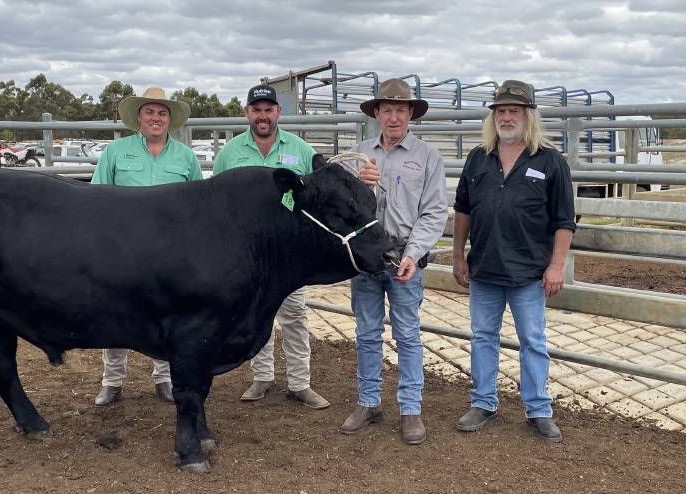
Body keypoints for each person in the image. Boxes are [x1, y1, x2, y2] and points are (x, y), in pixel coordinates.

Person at [451, 80, 576, 442]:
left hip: (528, 271)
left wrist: (556, 266)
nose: (507, 117)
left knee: (533, 340)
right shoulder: (479, 157)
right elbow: (463, 210)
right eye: (501, 111)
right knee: (483, 337)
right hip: (485, 267)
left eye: (514, 111)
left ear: (528, 116)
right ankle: (484, 402)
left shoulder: (550, 160)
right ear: (494, 117)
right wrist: (458, 255)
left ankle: (538, 408)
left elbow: (563, 220)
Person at [339, 78, 448, 445]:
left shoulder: (428, 157)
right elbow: (346, 210)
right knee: (366, 331)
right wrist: (362, 187)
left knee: (407, 333)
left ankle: (410, 408)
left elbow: (434, 213)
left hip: (403, 254)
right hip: (367, 258)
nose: (394, 116)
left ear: (410, 114)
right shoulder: (359, 154)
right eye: (387, 109)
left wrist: (414, 254)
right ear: (377, 114)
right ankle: (369, 402)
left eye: (401, 109)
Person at [212, 84, 330, 410]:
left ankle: (300, 383)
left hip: (288, 252)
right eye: (257, 109)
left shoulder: (300, 150)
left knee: (294, 315)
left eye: (269, 109)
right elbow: (215, 200)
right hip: (247, 253)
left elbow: (317, 195)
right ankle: (262, 377)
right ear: (247, 113)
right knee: (255, 314)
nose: (263, 115)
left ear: (278, 112)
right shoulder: (230, 153)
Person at [91, 87, 203, 406]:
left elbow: (197, 204)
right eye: (150, 112)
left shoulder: (186, 156)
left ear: (170, 119)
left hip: (170, 250)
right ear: (139, 117)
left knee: (167, 313)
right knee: (116, 311)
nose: (156, 118)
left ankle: (164, 378)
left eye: (162, 113)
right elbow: (96, 197)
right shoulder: (116, 151)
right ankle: (112, 380)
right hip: (122, 248)